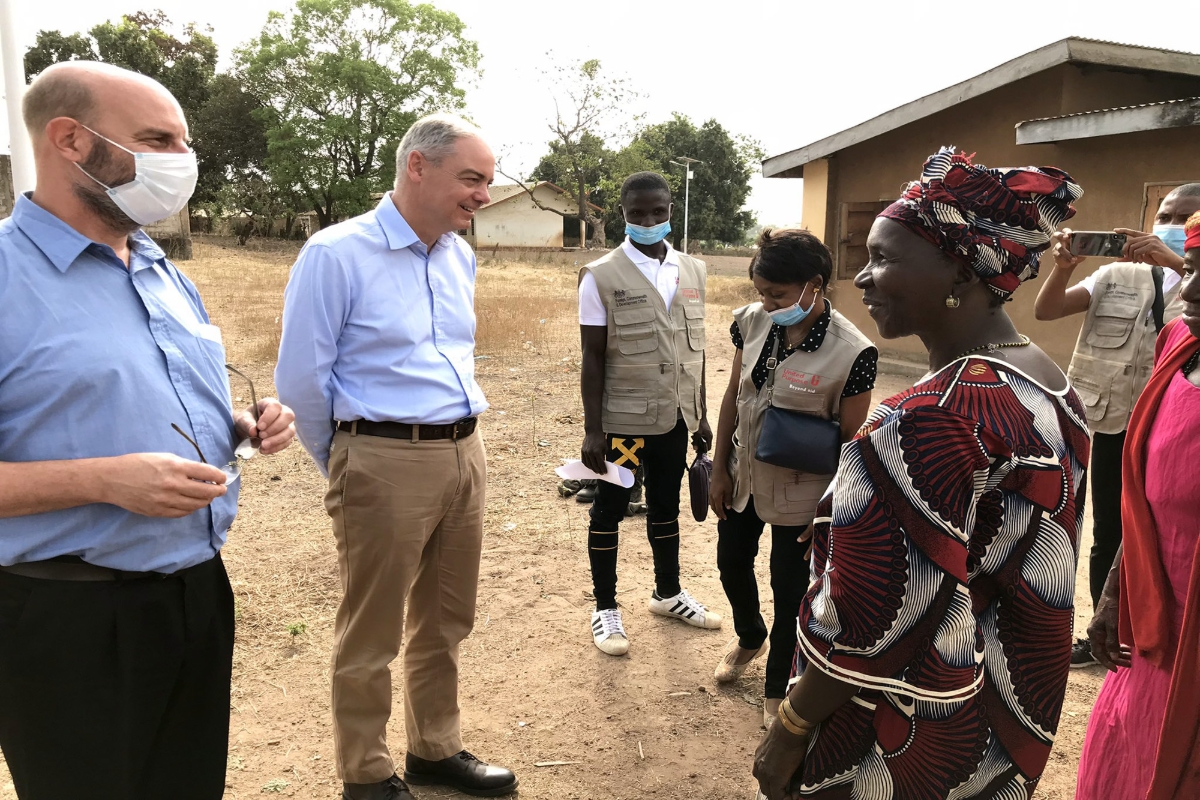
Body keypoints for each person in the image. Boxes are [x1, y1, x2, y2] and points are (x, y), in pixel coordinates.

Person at [752, 148, 1089, 800]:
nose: (862, 278)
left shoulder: (924, 419)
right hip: (997, 724)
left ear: (962, 265)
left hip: (906, 738)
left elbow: (871, 617)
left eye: (884, 257)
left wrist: (791, 723)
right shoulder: (1046, 382)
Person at [0, 62, 296, 800]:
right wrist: (104, 480)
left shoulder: (161, 269)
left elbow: (147, 400)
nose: (181, 162)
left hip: (195, 591)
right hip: (65, 613)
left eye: (183, 142)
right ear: (70, 139)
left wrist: (236, 426)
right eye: (157, 140)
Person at [275, 114, 516, 800]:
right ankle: (366, 772)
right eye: (470, 179)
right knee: (372, 630)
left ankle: (435, 750)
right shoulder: (336, 253)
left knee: (446, 618)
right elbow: (300, 382)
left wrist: (456, 450)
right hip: (383, 458)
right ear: (417, 166)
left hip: (464, 451)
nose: (483, 196)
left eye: (487, 181)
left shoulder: (457, 255)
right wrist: (351, 462)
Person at [708, 228, 877, 727]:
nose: (766, 303)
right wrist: (719, 467)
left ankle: (776, 687)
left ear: (814, 286)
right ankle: (748, 637)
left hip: (804, 494)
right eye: (760, 292)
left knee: (789, 591)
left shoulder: (854, 352)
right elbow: (733, 397)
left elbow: (852, 440)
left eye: (777, 295)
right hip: (744, 480)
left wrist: (828, 510)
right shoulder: (751, 323)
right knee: (730, 563)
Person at [1034, 183, 1200, 668]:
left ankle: (1159, 629)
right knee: (1109, 527)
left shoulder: (1190, 285)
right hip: (1110, 421)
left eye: (1184, 215)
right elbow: (1048, 311)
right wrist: (1063, 268)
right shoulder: (1115, 273)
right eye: (1165, 211)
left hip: (1170, 428)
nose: (1169, 220)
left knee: (1164, 528)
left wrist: (1176, 262)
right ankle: (1105, 631)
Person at [1074, 210, 1200, 800]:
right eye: (1192, 268)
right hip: (1156, 625)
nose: (1191, 289)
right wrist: (1113, 592)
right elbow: (1147, 489)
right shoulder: (1178, 345)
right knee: (1126, 756)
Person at [578, 171, 722, 656]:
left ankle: (668, 593)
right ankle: (605, 609)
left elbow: (694, 352)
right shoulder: (600, 275)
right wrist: (593, 430)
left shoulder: (694, 271)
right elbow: (593, 358)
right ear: (622, 213)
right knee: (610, 509)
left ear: (669, 210)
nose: (648, 221)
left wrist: (700, 416)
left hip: (676, 419)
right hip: (623, 424)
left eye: (657, 212)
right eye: (637, 213)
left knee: (666, 505)